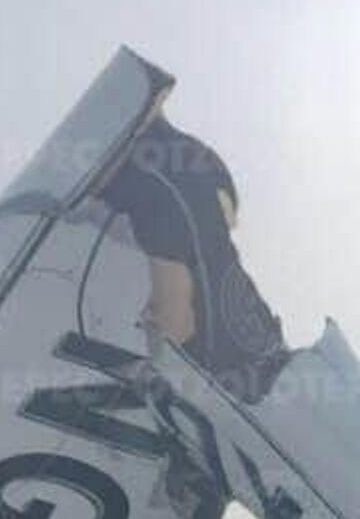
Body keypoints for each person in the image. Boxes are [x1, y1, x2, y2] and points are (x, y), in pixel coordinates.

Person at [99, 114, 287, 399]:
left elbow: (175, 311)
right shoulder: (184, 163)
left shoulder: (152, 183)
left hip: (225, 391)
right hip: (260, 376)